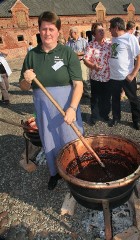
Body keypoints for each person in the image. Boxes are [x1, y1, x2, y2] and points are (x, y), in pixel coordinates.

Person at [19, 11, 84, 190]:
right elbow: (24, 87)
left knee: (71, 138)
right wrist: (27, 79)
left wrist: (72, 108)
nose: (47, 33)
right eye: (43, 29)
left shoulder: (67, 53)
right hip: (44, 108)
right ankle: (55, 173)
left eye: (51, 29)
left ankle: (76, 173)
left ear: (58, 31)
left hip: (66, 107)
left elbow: (78, 85)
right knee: (49, 141)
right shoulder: (32, 55)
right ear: (39, 30)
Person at [108, 17, 140, 130]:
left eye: (111, 28)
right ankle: (116, 118)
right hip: (114, 77)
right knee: (115, 99)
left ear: (117, 28)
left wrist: (133, 74)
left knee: (133, 99)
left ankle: (136, 120)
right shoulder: (113, 39)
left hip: (126, 76)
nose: (109, 30)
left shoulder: (130, 38)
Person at [84, 22, 111, 125]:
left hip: (108, 76)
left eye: (102, 30)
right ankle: (94, 116)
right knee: (95, 98)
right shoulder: (91, 45)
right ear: (94, 34)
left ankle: (105, 115)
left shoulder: (109, 43)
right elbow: (86, 60)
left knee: (107, 98)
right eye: (99, 30)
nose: (102, 32)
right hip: (95, 77)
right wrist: (93, 66)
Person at [66, 27, 90, 98]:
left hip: (82, 62)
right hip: (73, 63)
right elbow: (67, 52)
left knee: (84, 78)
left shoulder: (83, 41)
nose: (70, 34)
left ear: (75, 33)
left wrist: (77, 54)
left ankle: (87, 92)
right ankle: (80, 93)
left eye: (71, 33)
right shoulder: (69, 43)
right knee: (76, 78)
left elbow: (87, 51)